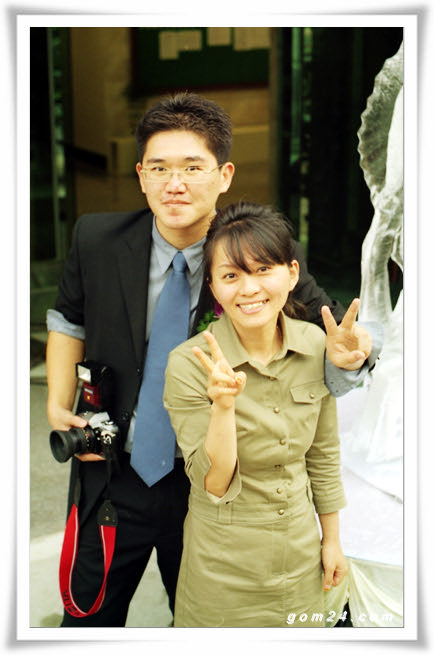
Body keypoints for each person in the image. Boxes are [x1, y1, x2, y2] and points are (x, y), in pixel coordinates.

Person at [45, 92, 380, 627]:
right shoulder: (97, 238)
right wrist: (59, 403)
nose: (174, 184)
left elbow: (337, 340)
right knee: (86, 621)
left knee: (198, 620)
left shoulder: (256, 258)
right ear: (141, 176)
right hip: (111, 473)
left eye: (192, 167)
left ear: (224, 175)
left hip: (209, 488)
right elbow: (68, 321)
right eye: (159, 168)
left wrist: (351, 358)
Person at [164, 201, 348, 627]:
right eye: (231, 276)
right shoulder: (189, 364)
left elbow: (323, 454)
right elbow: (213, 483)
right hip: (222, 569)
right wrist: (223, 407)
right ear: (213, 286)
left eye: (264, 269)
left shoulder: (315, 344)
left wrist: (332, 540)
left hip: (301, 558)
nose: (249, 289)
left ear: (292, 273)